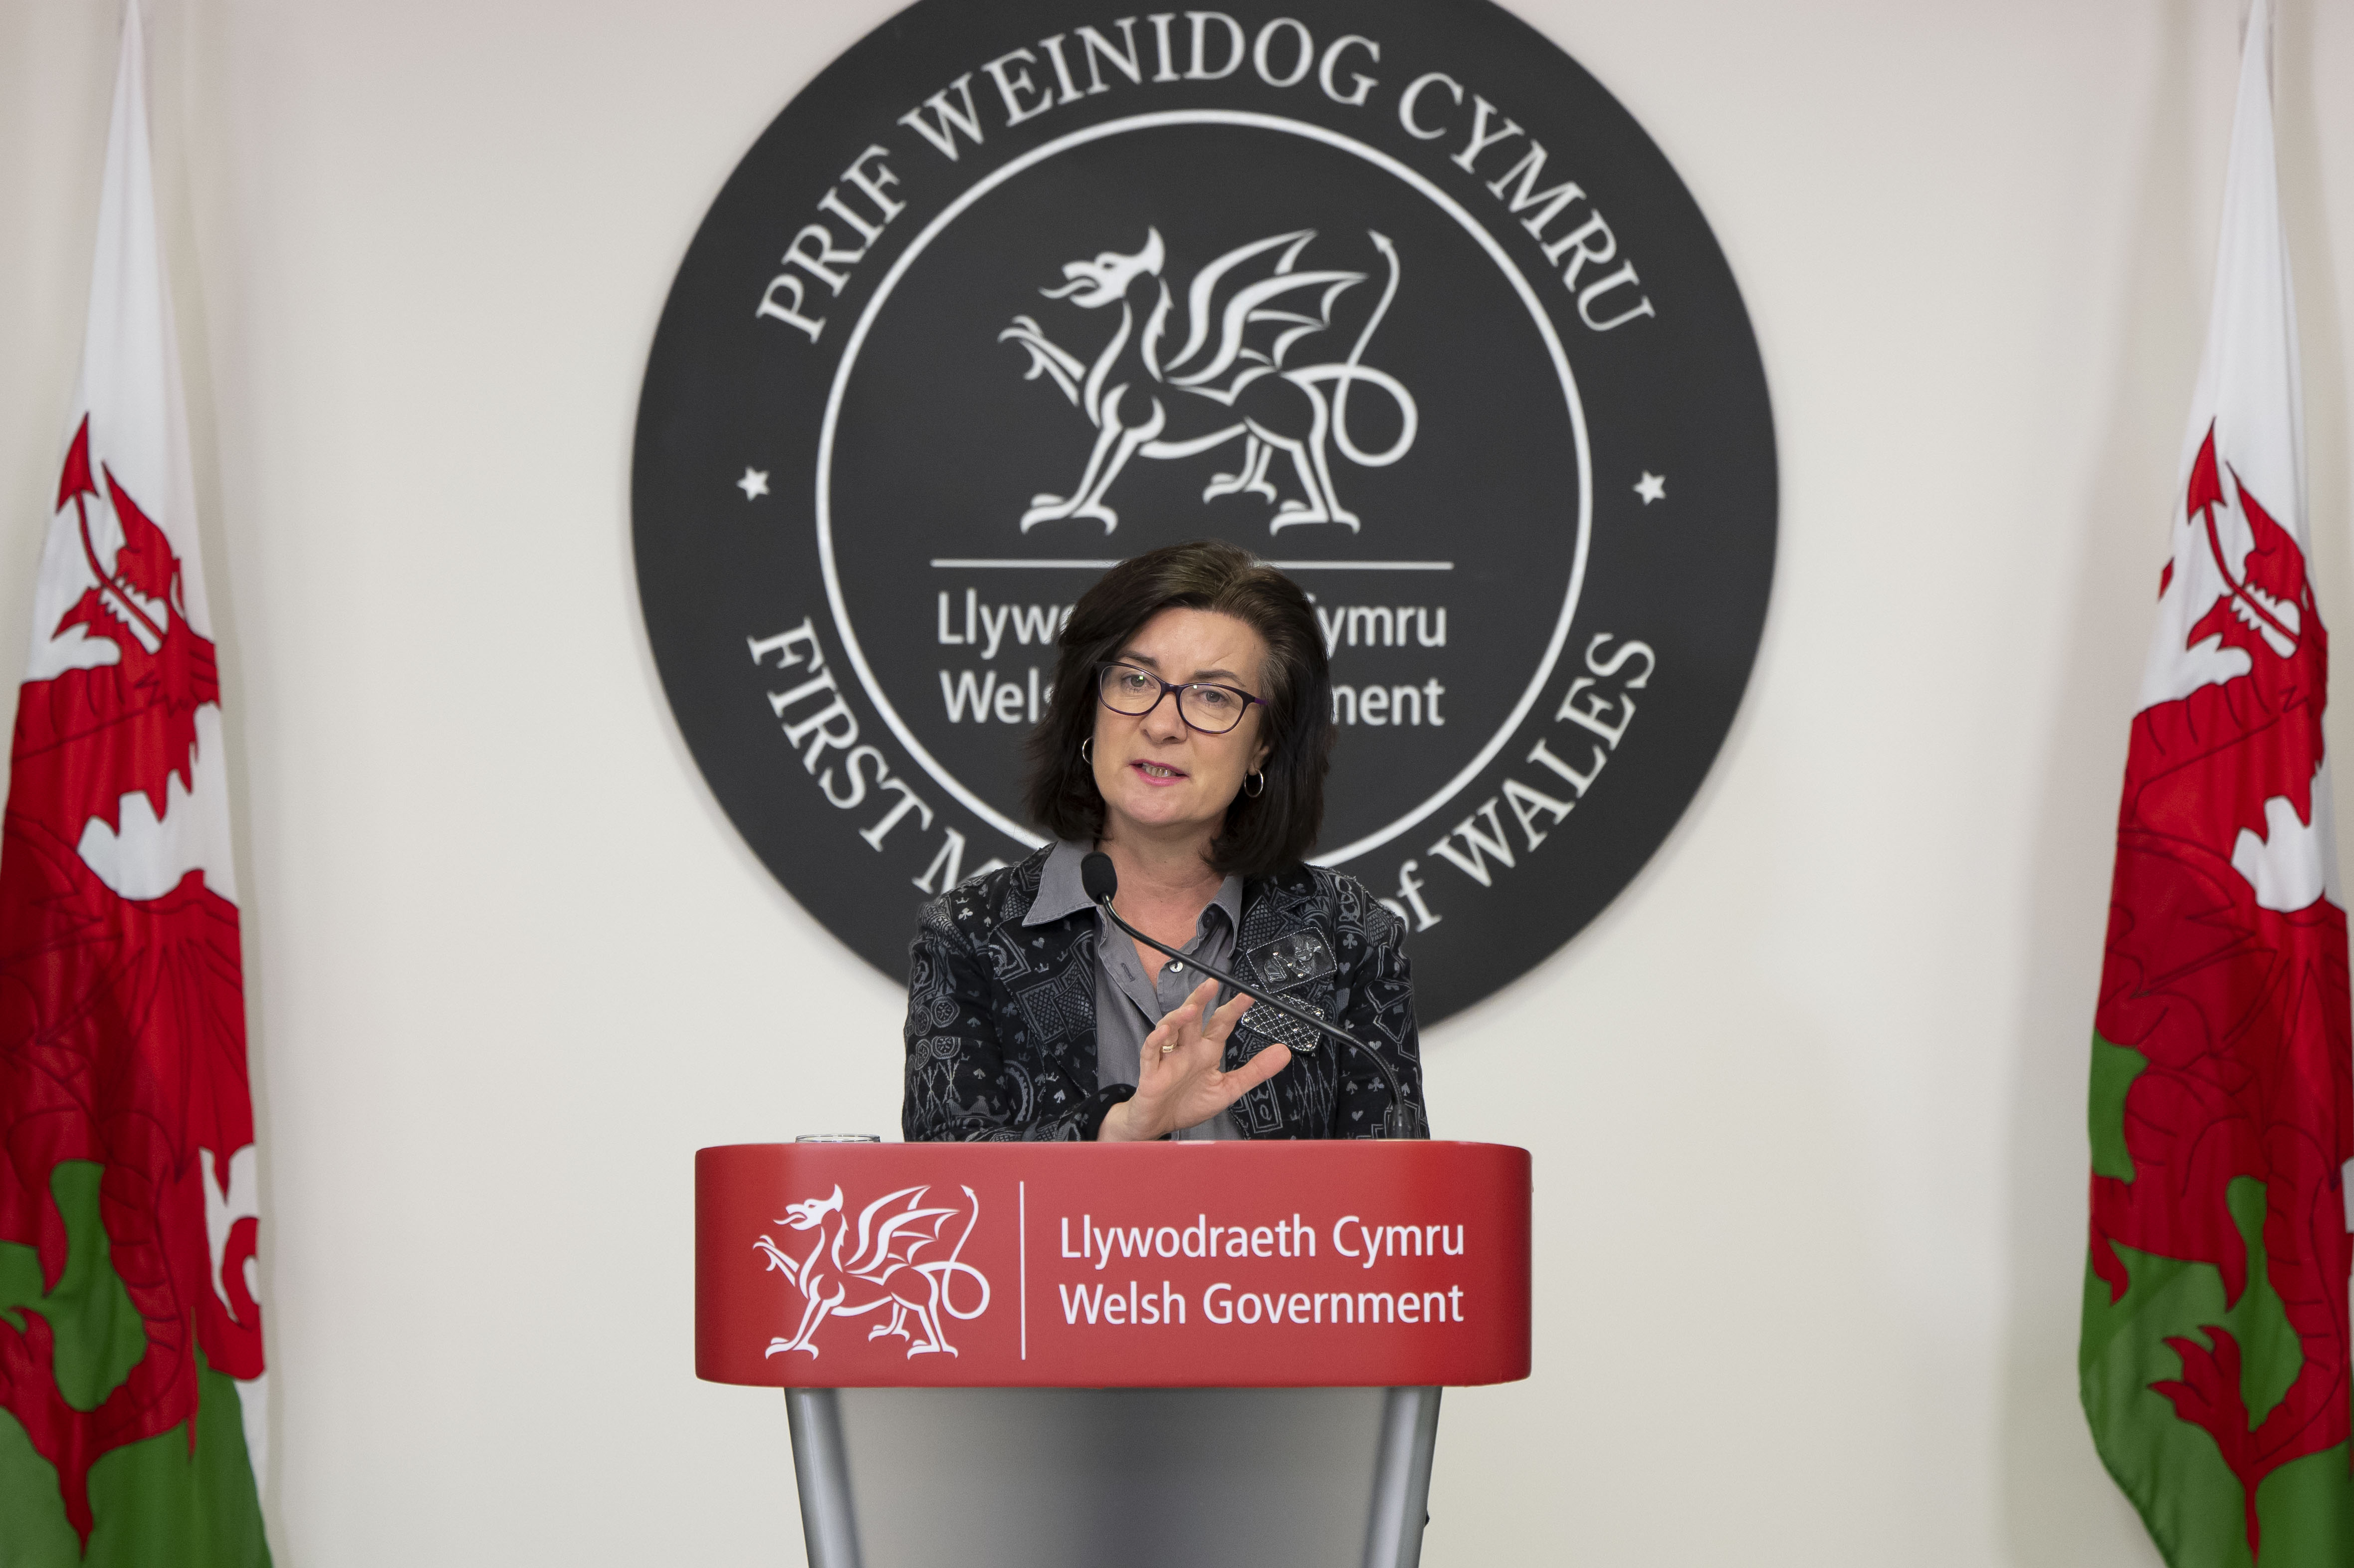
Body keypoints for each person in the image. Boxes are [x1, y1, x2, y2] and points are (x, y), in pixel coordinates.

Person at [901, 539, 1426, 1142]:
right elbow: (946, 1183)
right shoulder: (972, 932)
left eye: (1213, 696)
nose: (1161, 724)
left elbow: (1396, 1198)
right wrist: (1116, 1133)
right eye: (1134, 680)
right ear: (1088, 710)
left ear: (1264, 744)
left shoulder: (1348, 934)